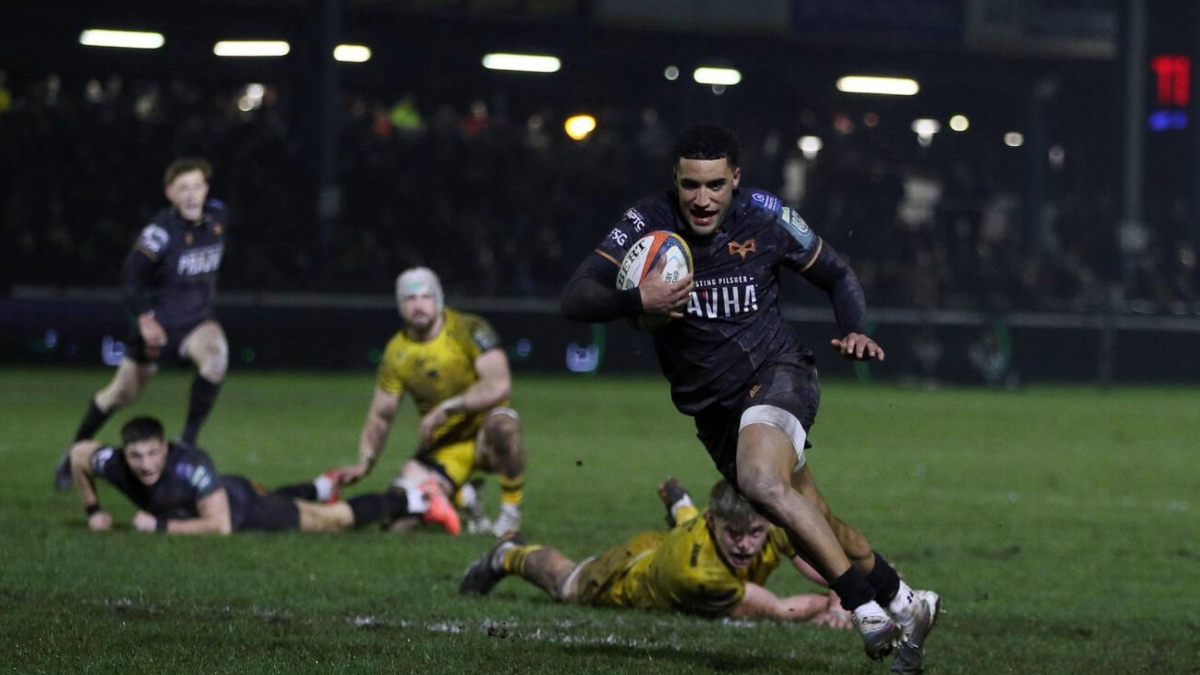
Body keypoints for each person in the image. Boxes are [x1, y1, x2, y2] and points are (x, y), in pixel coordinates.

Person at [560, 122, 939, 672]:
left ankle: (865, 608)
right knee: (814, 522)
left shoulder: (765, 215)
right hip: (715, 412)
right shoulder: (649, 222)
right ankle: (907, 603)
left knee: (763, 482)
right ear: (675, 180)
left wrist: (855, 326)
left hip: (778, 372)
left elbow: (837, 273)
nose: (702, 199)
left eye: (715, 184)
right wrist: (641, 295)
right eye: (691, 185)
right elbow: (576, 297)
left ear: (735, 179)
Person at [461, 478, 851, 629]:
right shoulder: (696, 574)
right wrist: (832, 607)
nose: (747, 544)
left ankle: (683, 509)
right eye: (735, 534)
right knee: (568, 582)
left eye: (755, 533)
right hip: (629, 576)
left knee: (692, 533)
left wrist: (845, 598)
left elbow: (832, 566)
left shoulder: (770, 520)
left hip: (679, 540)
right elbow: (779, 609)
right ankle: (508, 553)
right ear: (715, 521)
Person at [56, 158, 230, 491]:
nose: (192, 195)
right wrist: (144, 320)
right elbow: (130, 277)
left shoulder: (219, 216)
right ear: (170, 194)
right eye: (183, 189)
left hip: (196, 323)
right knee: (119, 395)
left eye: (197, 186)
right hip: (158, 328)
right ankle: (74, 454)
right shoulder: (160, 232)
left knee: (217, 357)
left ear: (206, 189)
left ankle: (188, 441)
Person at [330, 267, 527, 537]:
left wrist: (445, 409)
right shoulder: (396, 352)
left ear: (439, 298)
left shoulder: (468, 329)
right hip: (445, 446)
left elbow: (499, 383)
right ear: (400, 306)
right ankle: (464, 498)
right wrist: (365, 463)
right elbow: (381, 415)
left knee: (505, 424)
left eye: (425, 296)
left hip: (484, 435)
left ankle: (510, 514)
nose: (418, 305)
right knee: (398, 523)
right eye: (409, 299)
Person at [68, 416, 460, 535]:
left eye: (154, 453)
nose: (146, 464)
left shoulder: (192, 465)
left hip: (241, 509)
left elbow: (219, 526)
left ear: (166, 449)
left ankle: (417, 499)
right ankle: (322, 485)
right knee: (282, 496)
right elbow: (78, 454)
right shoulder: (114, 462)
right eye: (137, 456)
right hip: (236, 492)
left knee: (331, 521)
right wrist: (92, 511)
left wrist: (159, 526)